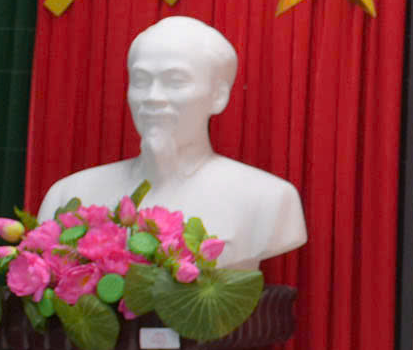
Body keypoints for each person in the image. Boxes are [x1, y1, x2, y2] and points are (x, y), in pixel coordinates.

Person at [38, 16, 306, 268]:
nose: (152, 97)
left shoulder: (268, 198)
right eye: (141, 81)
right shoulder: (69, 194)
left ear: (218, 96)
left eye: (175, 81)